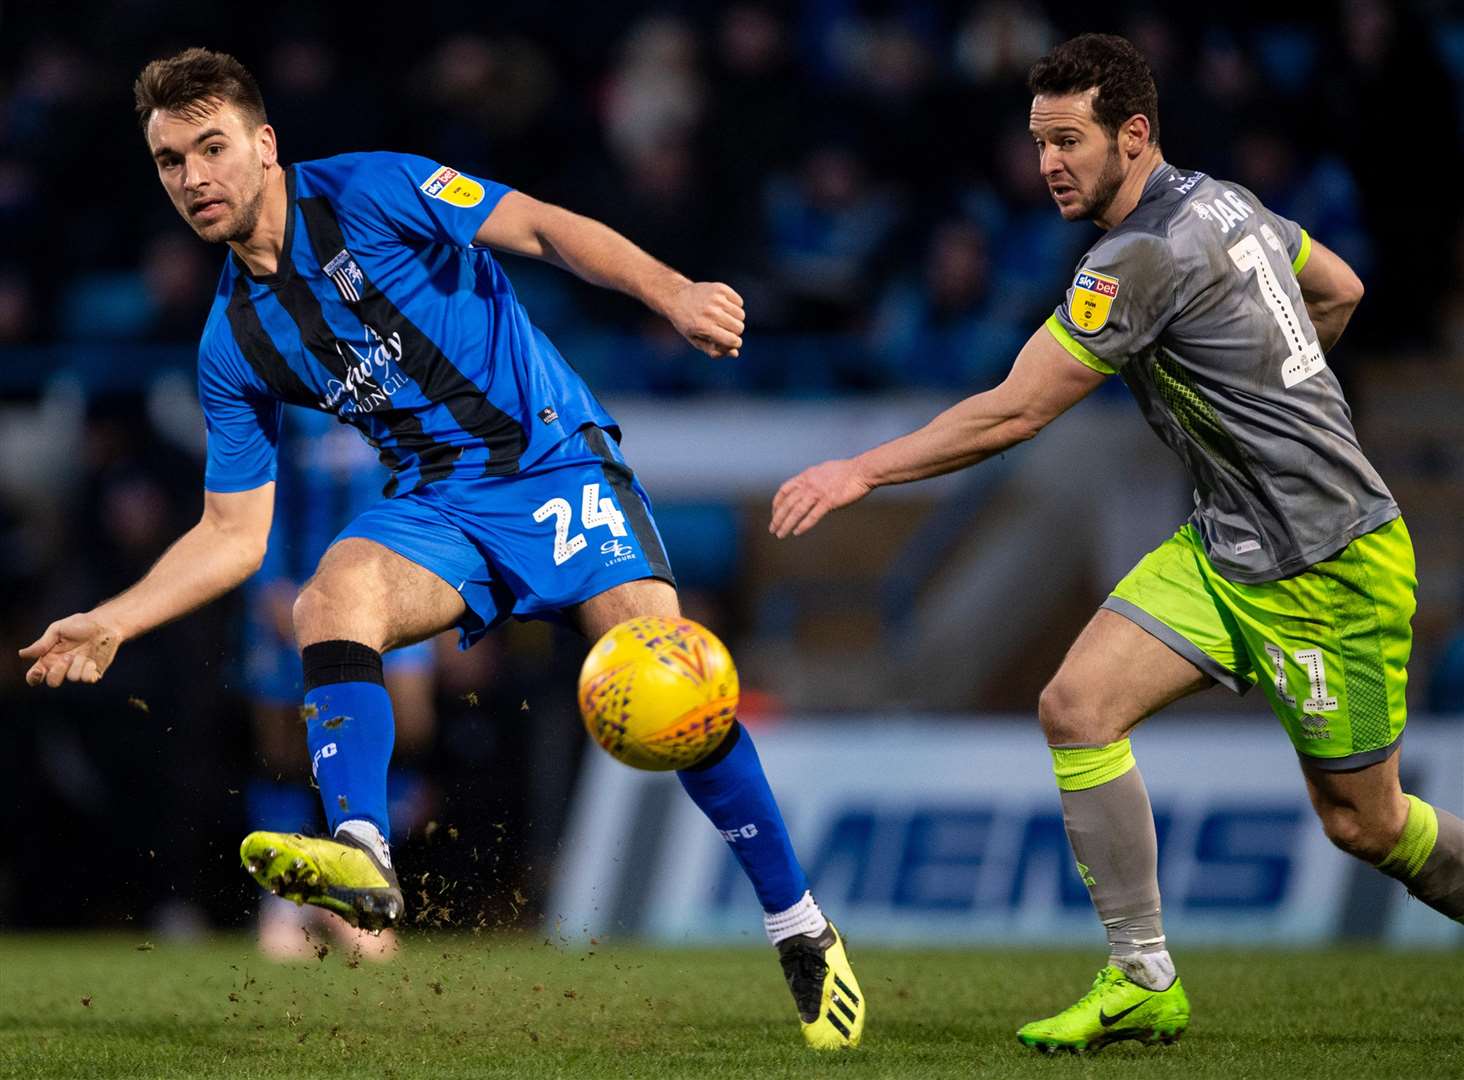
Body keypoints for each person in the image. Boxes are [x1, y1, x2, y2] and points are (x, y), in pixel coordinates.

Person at [19, 47, 864, 1050]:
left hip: (557, 468)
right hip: (441, 506)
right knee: (330, 594)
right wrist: (113, 618)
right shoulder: (233, 342)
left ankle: (800, 928)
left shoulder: (376, 188)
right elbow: (233, 535)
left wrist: (672, 292)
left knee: (673, 687)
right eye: (170, 161)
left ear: (264, 145)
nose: (195, 178)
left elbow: (543, 225)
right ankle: (363, 852)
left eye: (212, 148)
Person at [772, 32, 1463, 1053]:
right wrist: (1280, 385)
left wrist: (860, 471)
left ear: (1133, 135)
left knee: (1365, 824)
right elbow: (1342, 290)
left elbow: (1012, 414)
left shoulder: (1137, 256)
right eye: (1040, 141)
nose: (1048, 163)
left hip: (1330, 568)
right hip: (1225, 547)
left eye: (1068, 141)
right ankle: (1143, 977)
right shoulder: (1228, 202)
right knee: (1077, 707)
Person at [243, 407, 437, 960]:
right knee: (284, 742)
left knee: (408, 723)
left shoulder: (399, 388)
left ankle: (357, 889)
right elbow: (254, 492)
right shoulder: (285, 396)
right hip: (295, 588)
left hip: (391, 584)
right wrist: (269, 579)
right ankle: (285, 902)